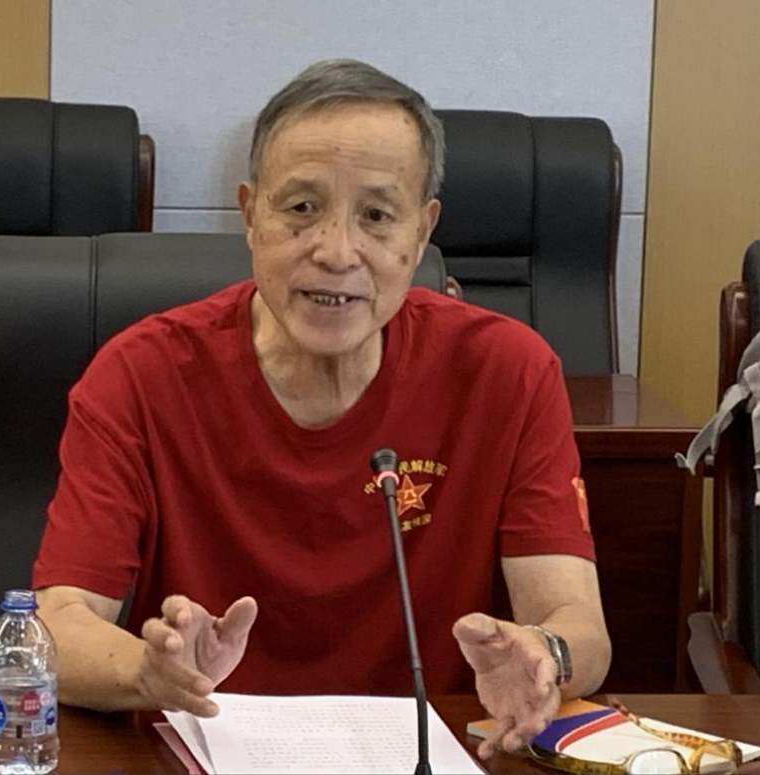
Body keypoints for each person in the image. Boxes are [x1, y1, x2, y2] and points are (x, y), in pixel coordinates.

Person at [32, 59, 611, 759]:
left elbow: (577, 622)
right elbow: (55, 625)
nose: (337, 253)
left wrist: (546, 652)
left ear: (421, 233)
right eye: (302, 208)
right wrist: (148, 673)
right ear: (250, 215)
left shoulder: (507, 372)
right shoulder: (140, 375)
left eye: (376, 216)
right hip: (204, 750)